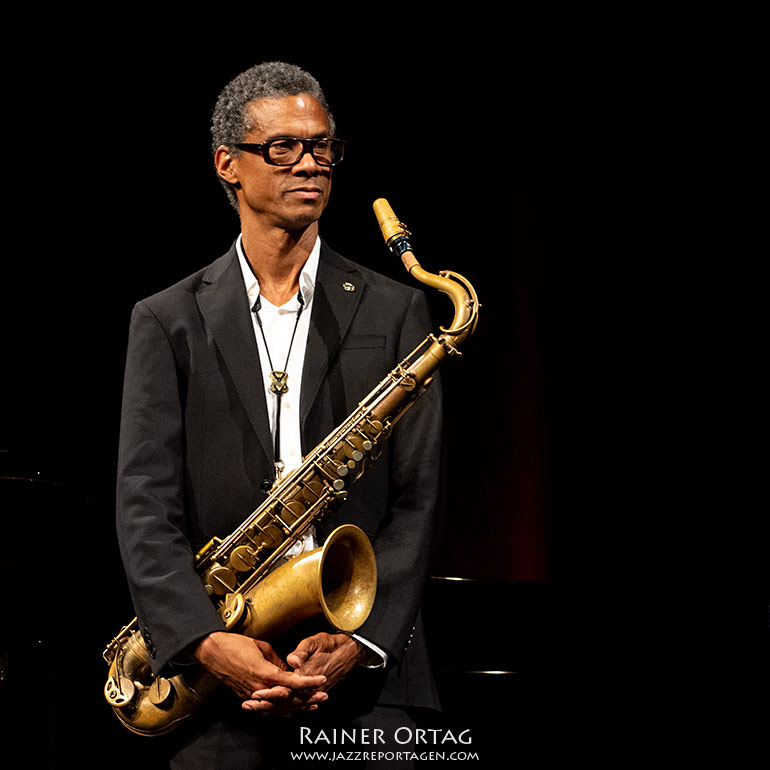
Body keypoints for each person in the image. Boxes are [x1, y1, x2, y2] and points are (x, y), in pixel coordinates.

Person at [116, 61, 443, 768]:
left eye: (323, 146)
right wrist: (205, 641)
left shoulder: (397, 309)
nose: (312, 164)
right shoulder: (166, 320)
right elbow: (145, 506)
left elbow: (418, 500)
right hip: (221, 676)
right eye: (285, 148)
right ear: (227, 164)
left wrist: (359, 639)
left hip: (365, 685)